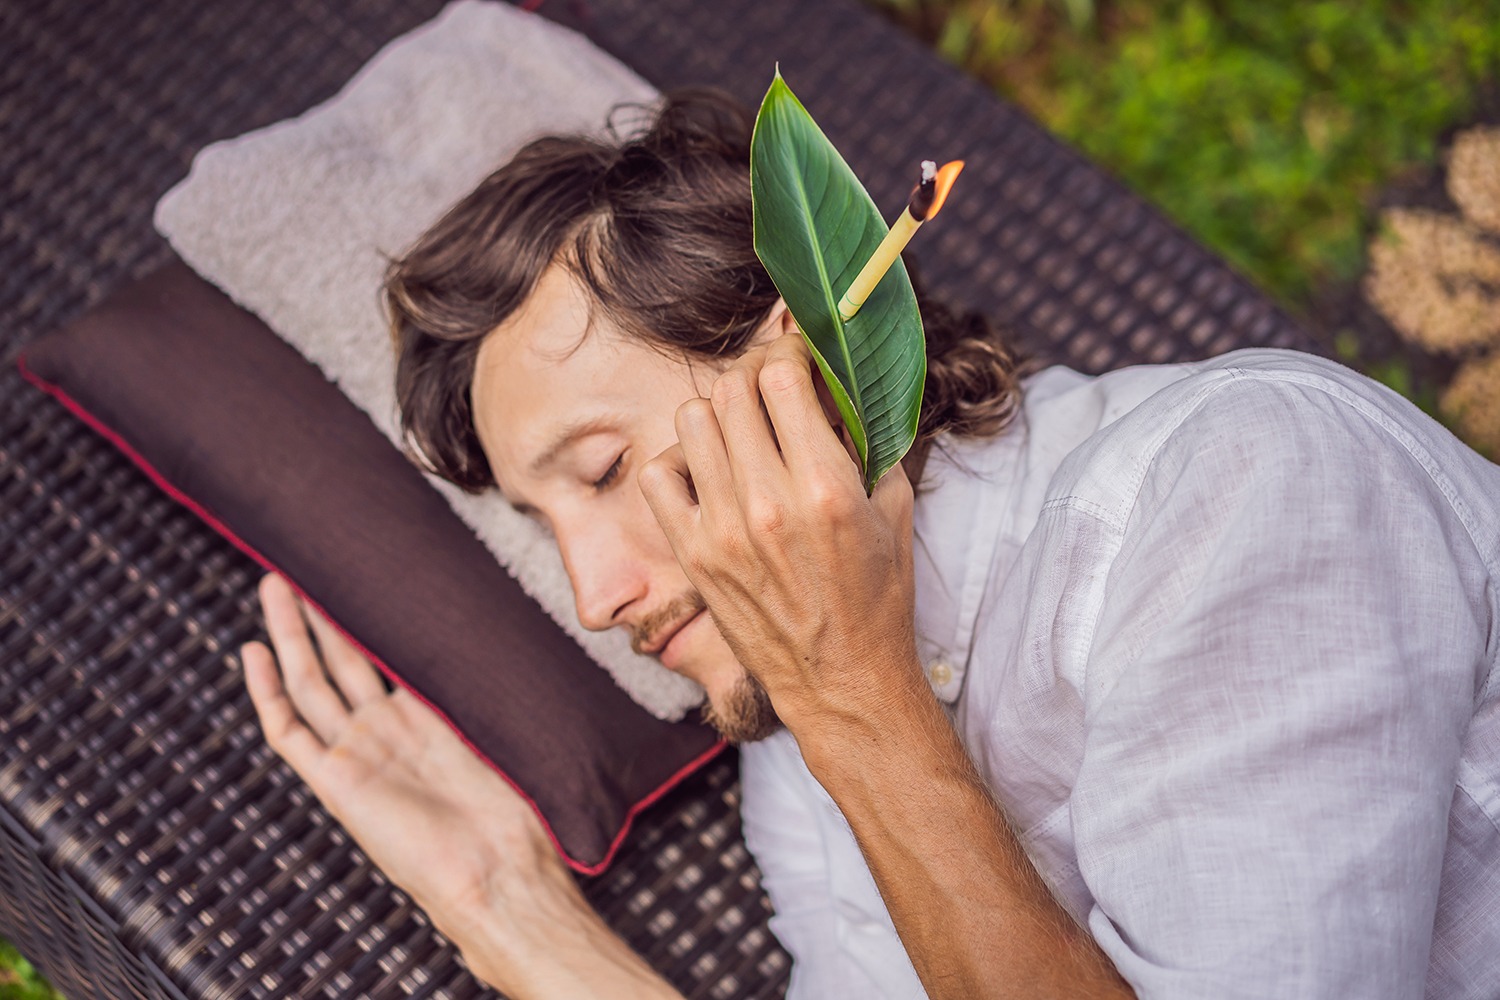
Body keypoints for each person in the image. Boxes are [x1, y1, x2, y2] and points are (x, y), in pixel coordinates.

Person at [238, 89, 1500, 1000]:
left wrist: (854, 690)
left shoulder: (1241, 484)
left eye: (606, 471)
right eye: (547, 523)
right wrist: (500, 903)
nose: (593, 593)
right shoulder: (800, 758)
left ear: (800, 355)